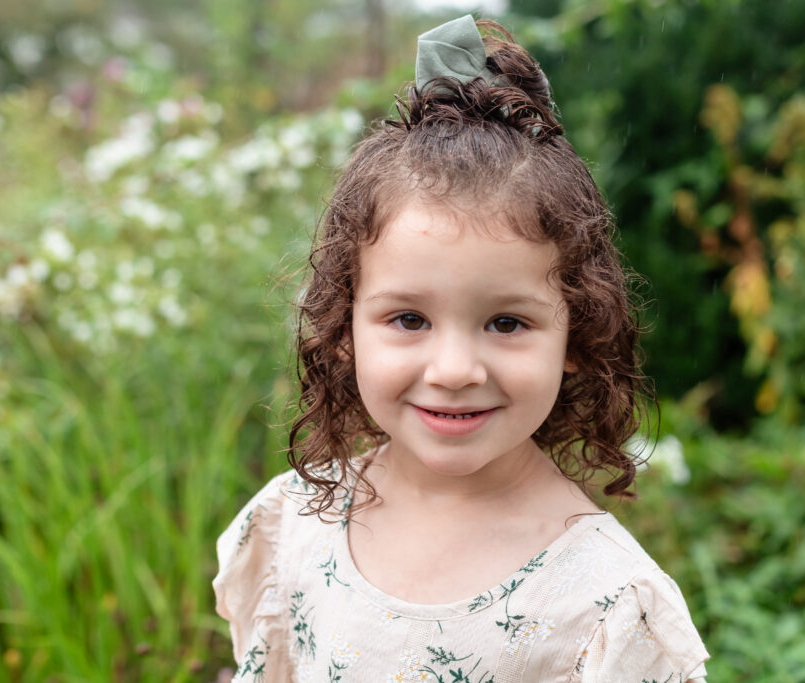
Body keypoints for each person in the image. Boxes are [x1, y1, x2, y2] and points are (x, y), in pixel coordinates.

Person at [213, 15, 710, 682]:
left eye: (506, 323)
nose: (452, 371)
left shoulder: (604, 602)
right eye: (409, 318)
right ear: (345, 322)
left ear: (576, 330)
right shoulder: (301, 524)